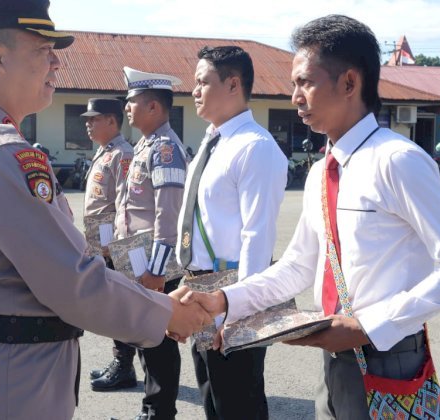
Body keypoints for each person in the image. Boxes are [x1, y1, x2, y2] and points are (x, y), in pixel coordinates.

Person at [177, 15, 440, 419]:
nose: (295, 97)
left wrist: (369, 326)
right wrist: (224, 299)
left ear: (349, 83)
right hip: (335, 355)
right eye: (294, 85)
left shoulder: (398, 161)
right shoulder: (322, 172)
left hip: (388, 355)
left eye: (305, 82)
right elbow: (297, 266)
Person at [0, 2, 210, 418]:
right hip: (9, 381)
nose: (56, 62)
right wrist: (168, 313)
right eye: (42, 50)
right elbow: (74, 284)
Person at [176, 45, 288, 420]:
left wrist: (238, 313)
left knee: (239, 402)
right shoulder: (213, 142)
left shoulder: (255, 148)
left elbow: (257, 237)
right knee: (213, 396)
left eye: (203, 82)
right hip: (201, 289)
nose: (194, 90)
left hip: (232, 292)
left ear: (233, 84)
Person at [115, 66, 188, 420]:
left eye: (133, 103)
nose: (127, 109)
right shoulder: (145, 145)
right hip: (137, 260)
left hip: (154, 265)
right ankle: (152, 410)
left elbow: (168, 215)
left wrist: (156, 271)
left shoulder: (165, 150)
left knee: (158, 342)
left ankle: (158, 414)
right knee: (146, 339)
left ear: (154, 107)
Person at [78, 98, 139, 391]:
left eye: (94, 119)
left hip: (114, 246)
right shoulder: (106, 153)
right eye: (87, 119)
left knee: (119, 307)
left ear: (112, 121)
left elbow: (124, 204)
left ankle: (124, 366)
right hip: (101, 244)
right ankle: (120, 361)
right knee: (110, 306)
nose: (88, 124)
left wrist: (113, 247)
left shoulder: (123, 155)